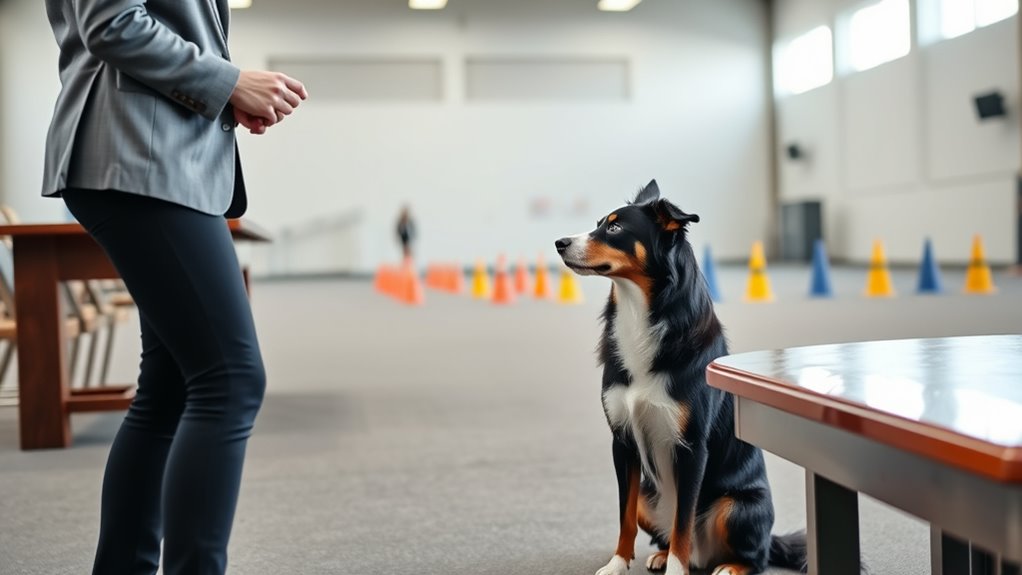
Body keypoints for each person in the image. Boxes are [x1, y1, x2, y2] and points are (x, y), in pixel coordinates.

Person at [41, 2, 308, 574]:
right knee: (230, 378)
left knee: (171, 389)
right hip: (137, 151)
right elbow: (112, 22)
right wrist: (230, 81)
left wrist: (227, 95)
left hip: (162, 157)